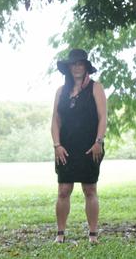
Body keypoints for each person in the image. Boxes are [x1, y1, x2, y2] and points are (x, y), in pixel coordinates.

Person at [51, 48, 107, 244]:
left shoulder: (95, 87)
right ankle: (60, 234)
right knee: (63, 190)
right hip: (65, 147)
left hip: (90, 146)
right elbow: (55, 120)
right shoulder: (61, 91)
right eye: (73, 64)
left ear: (85, 67)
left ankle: (92, 234)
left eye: (80, 64)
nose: (77, 67)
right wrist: (57, 145)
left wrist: (98, 141)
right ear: (68, 68)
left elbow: (103, 117)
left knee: (90, 189)